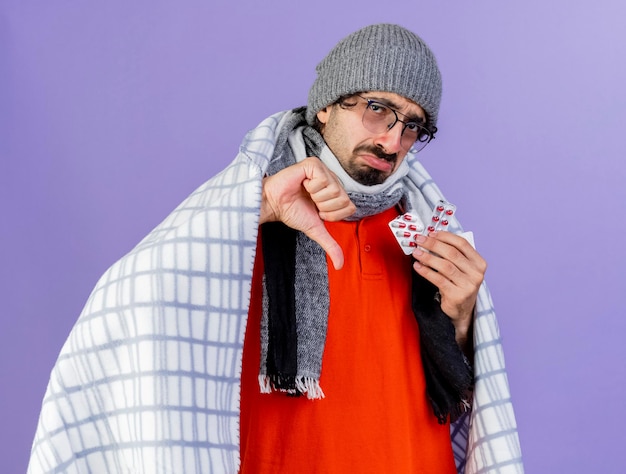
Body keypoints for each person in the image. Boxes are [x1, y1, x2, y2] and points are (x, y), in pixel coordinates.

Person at [27, 24, 523, 473]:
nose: (394, 141)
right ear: (326, 104)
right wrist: (259, 206)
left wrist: (460, 320)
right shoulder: (248, 204)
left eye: (412, 125)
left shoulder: (424, 223)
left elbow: (460, 400)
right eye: (378, 109)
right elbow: (129, 302)